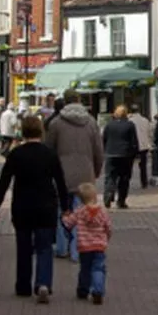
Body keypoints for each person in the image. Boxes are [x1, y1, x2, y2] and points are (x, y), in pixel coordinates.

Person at [0, 114, 70, 303]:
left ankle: (23, 286)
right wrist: (65, 207)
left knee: (23, 247)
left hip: (22, 206)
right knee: (44, 247)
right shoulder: (49, 154)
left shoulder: (16, 154)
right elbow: (60, 182)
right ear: (41, 131)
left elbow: (4, 182)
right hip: (46, 206)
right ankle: (43, 283)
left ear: (23, 132)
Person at [45, 89, 105, 262]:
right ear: (78, 100)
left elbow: (48, 150)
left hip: (61, 174)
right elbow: (99, 151)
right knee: (82, 213)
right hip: (85, 173)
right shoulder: (91, 122)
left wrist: (49, 172)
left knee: (62, 212)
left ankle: (62, 247)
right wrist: (96, 169)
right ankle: (76, 250)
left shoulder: (56, 123)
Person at [61, 182, 112, 304]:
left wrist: (64, 217)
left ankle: (83, 290)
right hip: (99, 246)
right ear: (94, 196)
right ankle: (98, 290)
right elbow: (108, 227)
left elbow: (69, 223)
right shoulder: (103, 212)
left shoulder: (79, 211)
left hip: (84, 247)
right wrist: (106, 238)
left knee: (85, 269)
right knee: (98, 268)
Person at [102, 105, 139, 208]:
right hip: (125, 155)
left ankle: (108, 196)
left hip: (111, 153)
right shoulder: (130, 125)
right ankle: (121, 200)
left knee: (110, 176)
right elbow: (134, 141)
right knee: (124, 178)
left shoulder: (109, 125)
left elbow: (104, 139)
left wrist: (105, 150)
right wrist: (135, 153)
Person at [128, 104, 153, 190]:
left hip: (132, 145)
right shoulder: (145, 120)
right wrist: (149, 142)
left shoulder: (129, 120)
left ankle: (127, 180)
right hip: (143, 145)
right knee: (143, 166)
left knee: (129, 164)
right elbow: (149, 132)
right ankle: (144, 182)